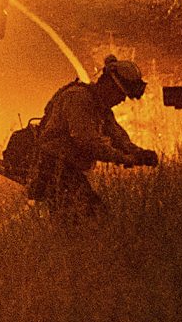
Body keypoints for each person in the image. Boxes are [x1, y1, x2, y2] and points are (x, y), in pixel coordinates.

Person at [31, 54, 158, 213]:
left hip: (68, 170)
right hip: (53, 168)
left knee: (82, 220)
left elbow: (118, 137)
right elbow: (88, 142)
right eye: (121, 94)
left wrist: (139, 153)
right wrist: (124, 158)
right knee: (92, 217)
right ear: (109, 85)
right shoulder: (78, 99)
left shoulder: (101, 107)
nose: (122, 100)